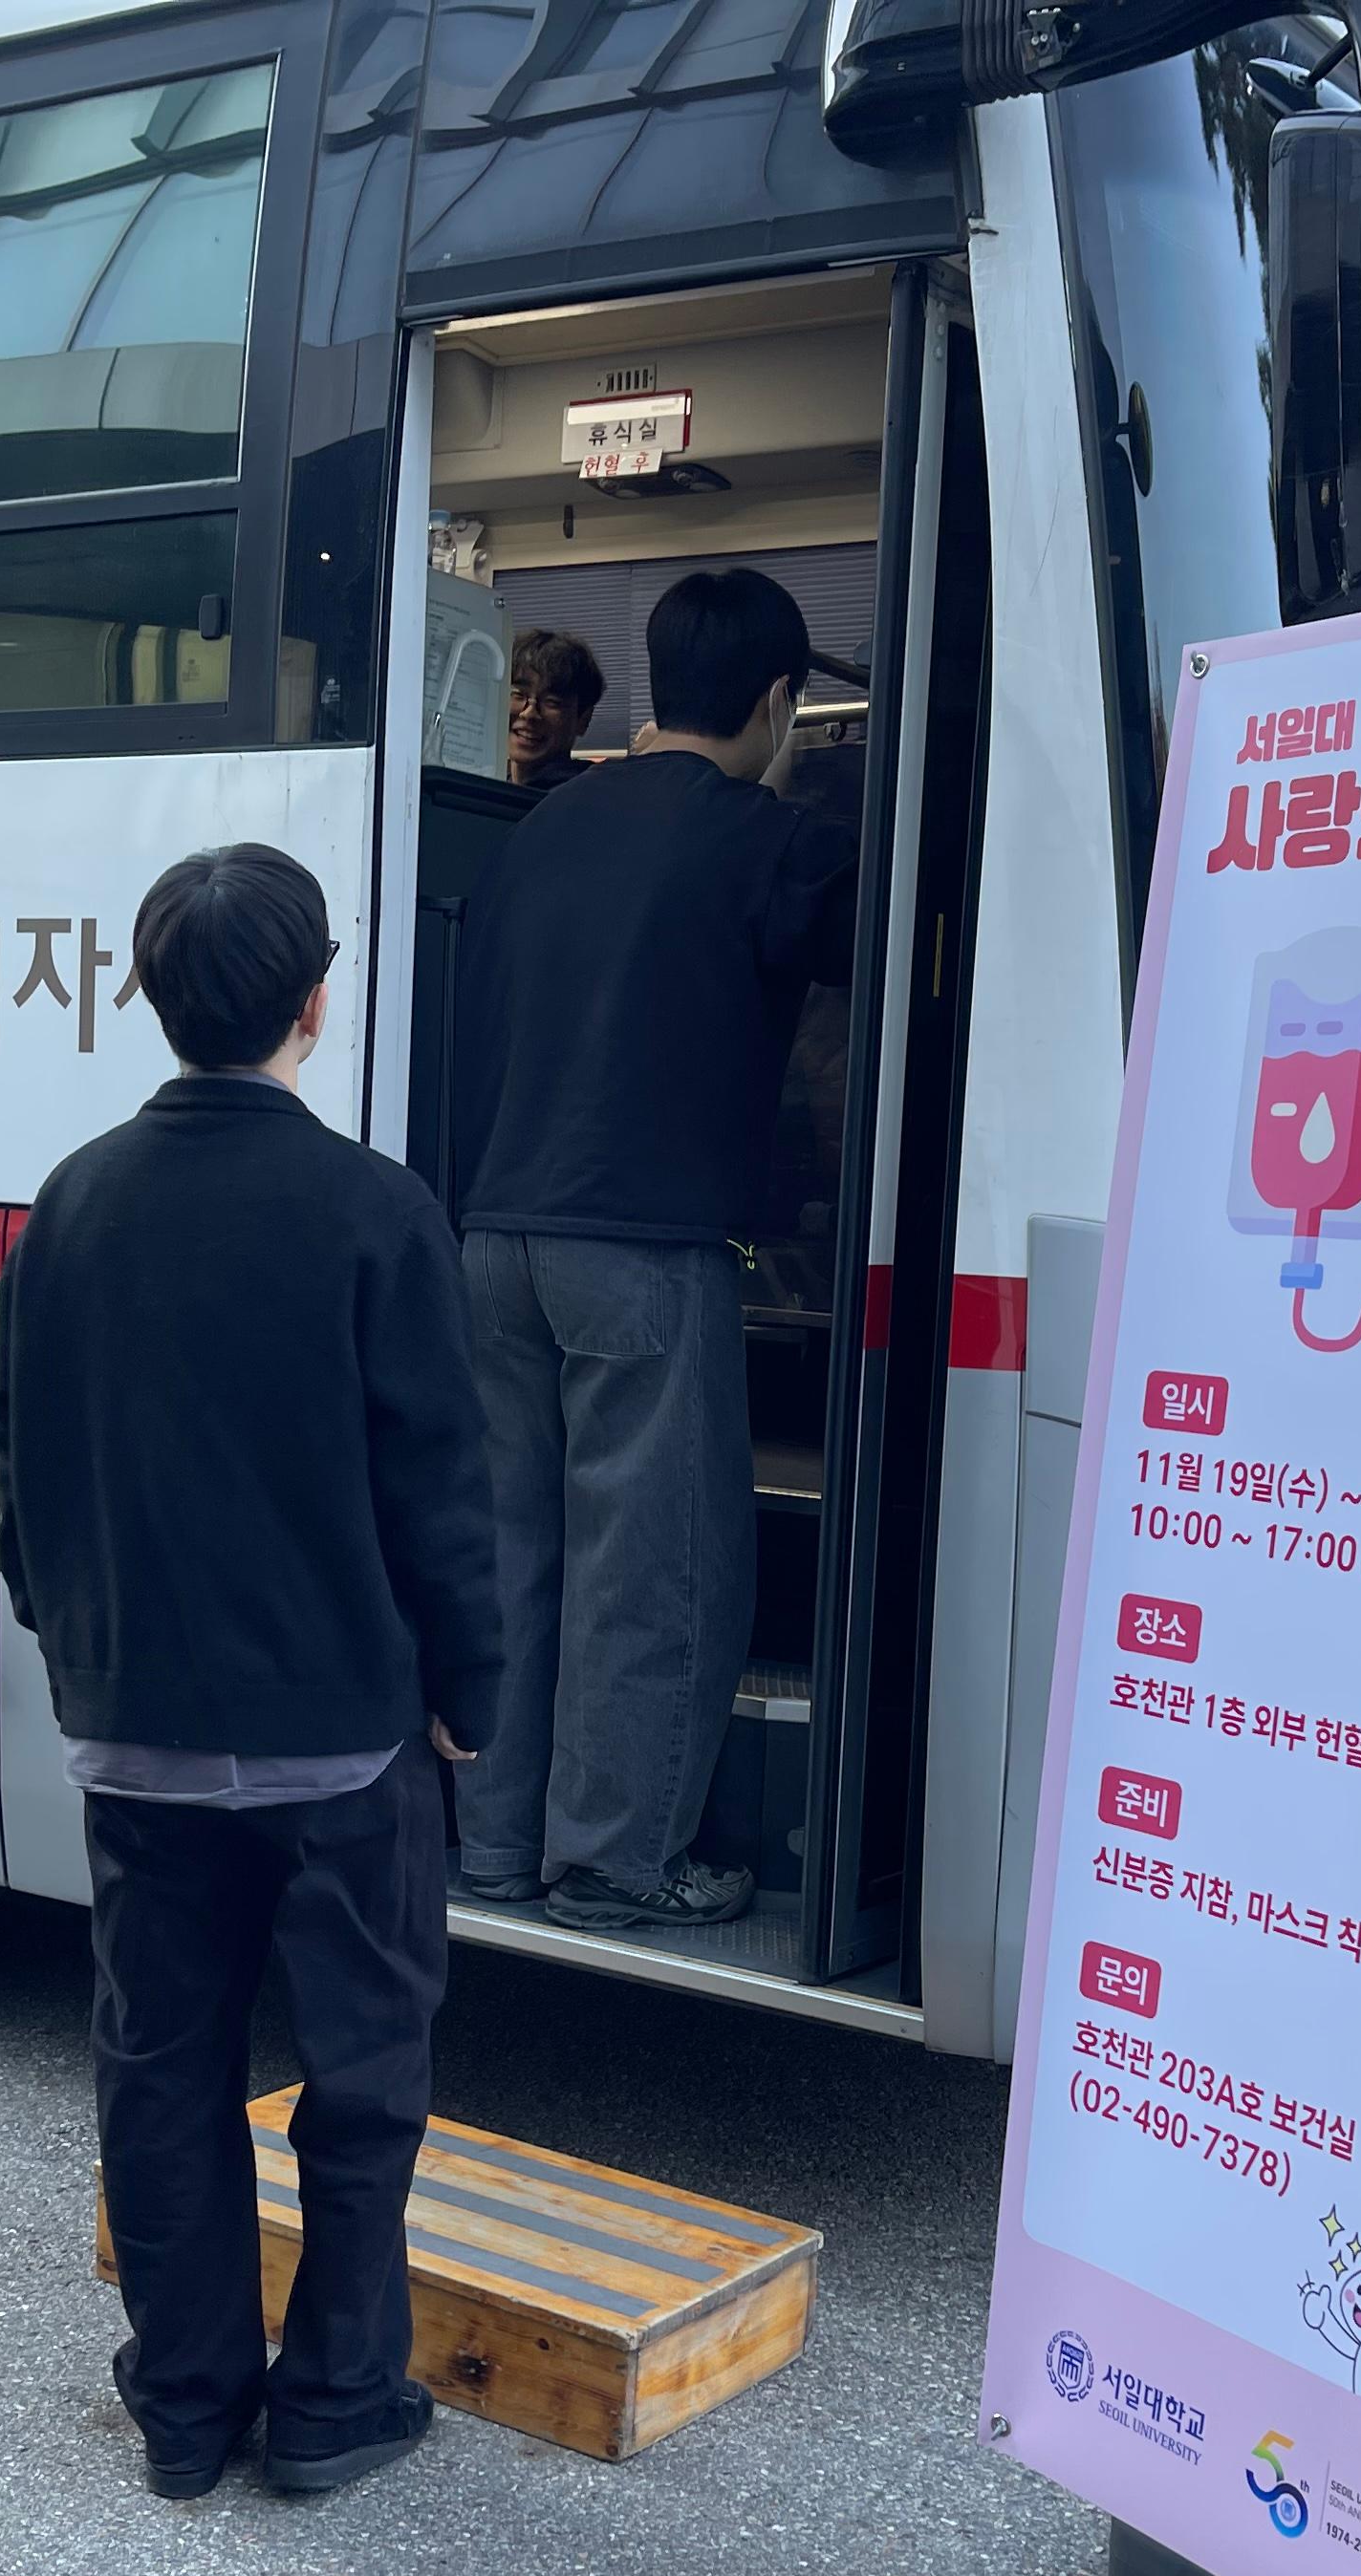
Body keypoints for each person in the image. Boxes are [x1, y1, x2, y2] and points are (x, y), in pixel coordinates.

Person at [0, 844, 500, 2503]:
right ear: (315, 998)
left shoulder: (69, 1198)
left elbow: (22, 1455)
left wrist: (76, 1639)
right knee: (363, 2073)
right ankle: (340, 2393)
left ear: (151, 997)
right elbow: (439, 1485)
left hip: (131, 1726)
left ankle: (187, 2399)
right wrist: (467, 1691)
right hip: (341, 1735)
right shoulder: (373, 1208)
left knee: (160, 2059)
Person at [445, 569, 855, 1932]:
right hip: (643, 1248)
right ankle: (617, 1861)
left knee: (515, 1554)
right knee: (652, 1564)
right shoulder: (764, 837)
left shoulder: (543, 829)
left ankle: (495, 1848)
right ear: (780, 701)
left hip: (495, 1238)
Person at [505, 628, 606, 796]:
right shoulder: (491, 789)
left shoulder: (588, 797)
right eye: (518, 694)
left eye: (552, 702)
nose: (529, 713)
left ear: (583, 719)